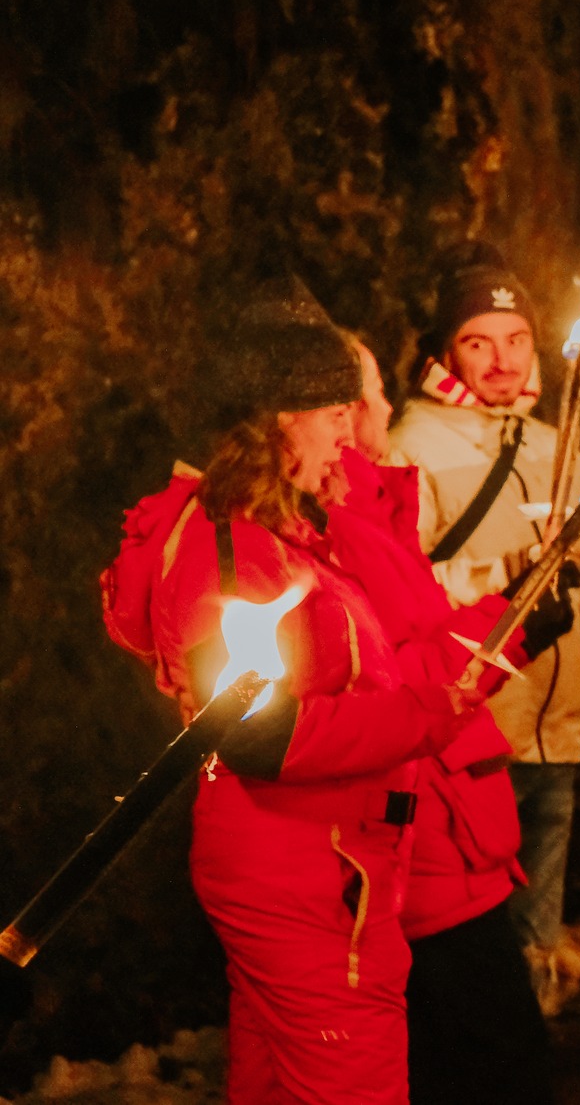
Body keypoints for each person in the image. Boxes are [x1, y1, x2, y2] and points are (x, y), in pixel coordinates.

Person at [101, 287, 522, 1105]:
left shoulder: (277, 536)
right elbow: (256, 731)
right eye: (334, 412)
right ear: (280, 418)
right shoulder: (229, 550)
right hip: (303, 881)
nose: (348, 432)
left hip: (320, 867)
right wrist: (424, 714)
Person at [387, 245, 580, 986]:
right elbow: (400, 594)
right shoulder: (411, 449)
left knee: (537, 951)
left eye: (516, 339)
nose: (503, 360)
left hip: (556, 735)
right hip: (478, 741)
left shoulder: (553, 444)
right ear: (445, 352)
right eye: (478, 342)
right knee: (482, 962)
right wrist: (510, 571)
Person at [327, 338, 552, 1105]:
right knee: (497, 1061)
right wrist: (512, 621)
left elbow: (422, 633)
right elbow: (402, 677)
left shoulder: (374, 507)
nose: (388, 405)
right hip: (424, 832)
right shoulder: (343, 527)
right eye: (374, 391)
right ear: (341, 412)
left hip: (452, 823)